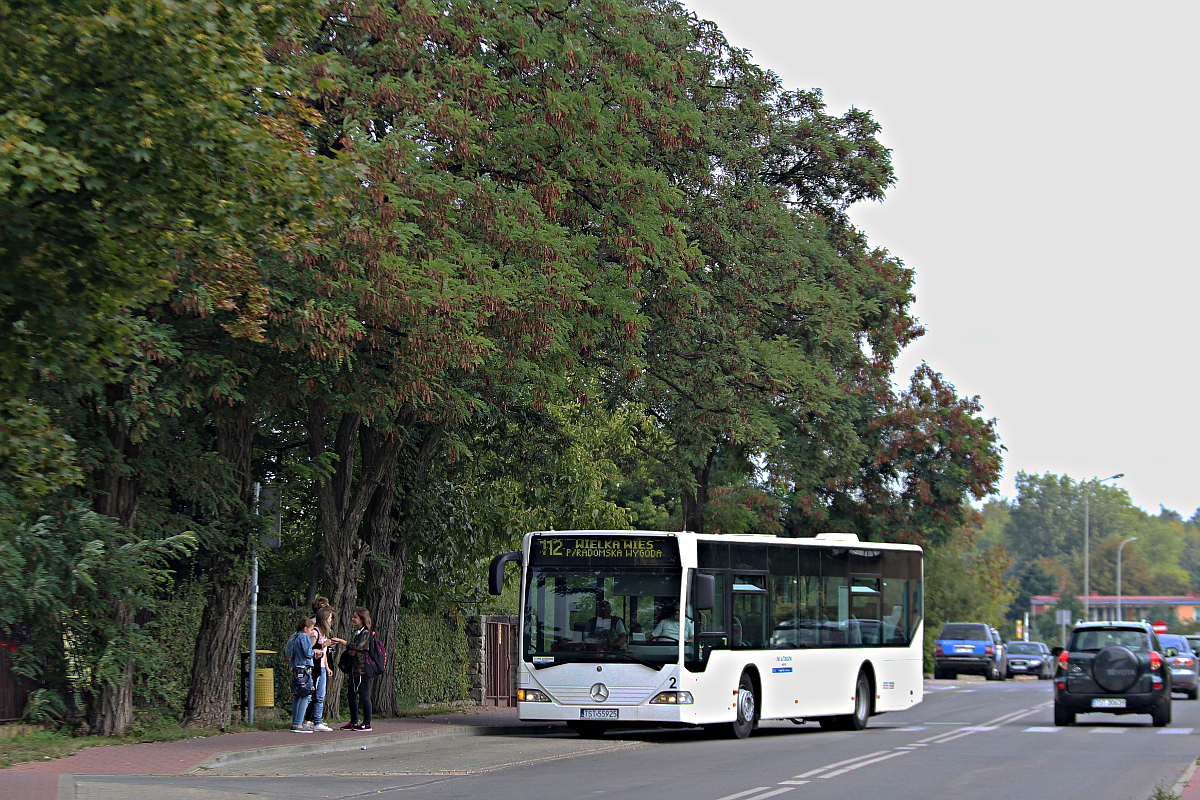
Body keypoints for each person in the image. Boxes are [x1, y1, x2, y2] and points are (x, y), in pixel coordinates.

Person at [306, 606, 347, 732]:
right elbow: (309, 649)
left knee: (320, 696)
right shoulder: (315, 632)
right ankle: (306, 719)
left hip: (322, 667)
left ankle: (317, 720)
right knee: (311, 695)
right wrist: (324, 644)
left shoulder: (324, 633)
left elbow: (323, 652)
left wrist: (328, 666)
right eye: (329, 618)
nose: (330, 620)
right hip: (315, 667)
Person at [341, 608, 376, 732]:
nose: (353, 619)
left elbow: (358, 646)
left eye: (355, 617)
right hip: (355, 669)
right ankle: (353, 721)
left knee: (364, 695)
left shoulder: (366, 633)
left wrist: (343, 642)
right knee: (351, 694)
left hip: (362, 670)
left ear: (362, 619)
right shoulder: (359, 633)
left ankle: (367, 723)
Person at [285, 617, 316, 733]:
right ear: (305, 628)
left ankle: (295, 722)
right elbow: (307, 652)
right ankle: (299, 723)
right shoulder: (304, 636)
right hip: (304, 668)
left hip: (295, 667)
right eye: (311, 629)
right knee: (305, 694)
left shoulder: (294, 636)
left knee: (297, 694)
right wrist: (315, 653)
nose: (312, 632)